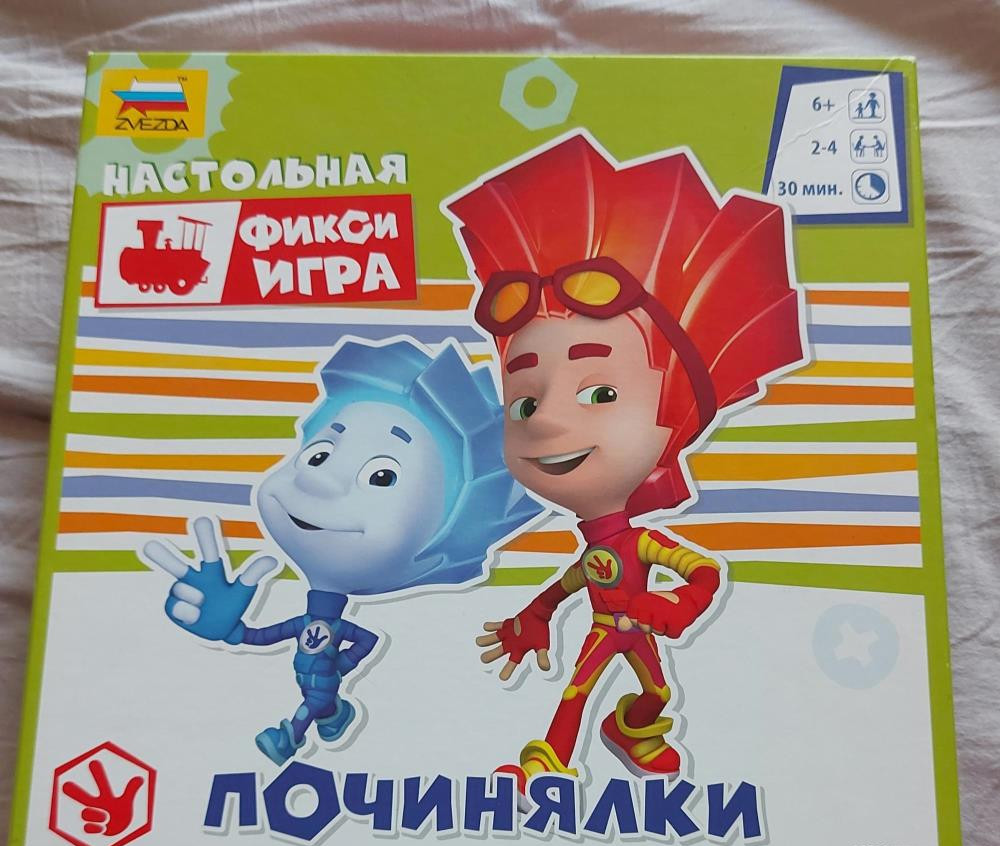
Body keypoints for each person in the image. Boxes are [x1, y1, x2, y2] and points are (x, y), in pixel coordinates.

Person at [444, 132, 805, 798]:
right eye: (523, 401)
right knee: (576, 690)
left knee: (655, 693)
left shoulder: (640, 543)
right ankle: (545, 764)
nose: (543, 420)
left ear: (674, 416)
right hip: (610, 628)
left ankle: (634, 732)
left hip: (637, 625)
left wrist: (675, 605)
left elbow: (703, 571)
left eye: (600, 393)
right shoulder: (608, 548)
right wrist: (535, 613)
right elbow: (578, 577)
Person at [143, 339, 539, 764]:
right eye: (319, 455)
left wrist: (340, 666)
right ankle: (335, 716)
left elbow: (366, 641)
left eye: (382, 476)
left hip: (343, 692)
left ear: (442, 545)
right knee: (322, 704)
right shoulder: (312, 620)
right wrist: (230, 631)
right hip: (321, 681)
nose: (318, 480)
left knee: (313, 703)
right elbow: (267, 636)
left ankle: (290, 736)